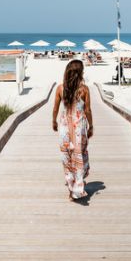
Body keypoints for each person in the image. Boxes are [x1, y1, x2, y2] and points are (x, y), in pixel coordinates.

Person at [52, 60, 93, 200]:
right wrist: (91, 126)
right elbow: (87, 110)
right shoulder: (84, 90)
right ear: (80, 73)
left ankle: (72, 186)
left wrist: (53, 122)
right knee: (79, 156)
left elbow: (55, 109)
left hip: (64, 128)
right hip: (79, 129)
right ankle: (78, 185)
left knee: (67, 157)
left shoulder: (60, 88)